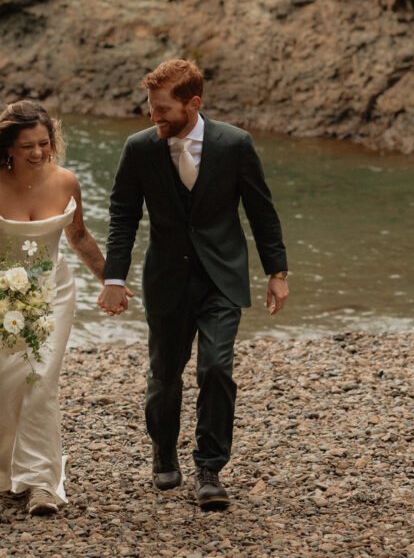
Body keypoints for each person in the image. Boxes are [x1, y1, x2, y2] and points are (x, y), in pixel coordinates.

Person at [97, 59, 289, 510]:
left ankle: (209, 469)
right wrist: (113, 277)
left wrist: (276, 273)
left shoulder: (235, 144)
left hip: (222, 277)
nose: (153, 118)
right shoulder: (140, 148)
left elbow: (262, 211)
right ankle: (163, 450)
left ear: (193, 103)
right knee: (165, 373)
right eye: (151, 108)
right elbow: (123, 216)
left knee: (217, 369)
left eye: (163, 110)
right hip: (166, 279)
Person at [0, 100, 125, 515]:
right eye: (28, 146)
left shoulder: (67, 181)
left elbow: (80, 237)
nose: (38, 152)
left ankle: (40, 484)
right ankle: (2, 461)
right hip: (2, 298)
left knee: (41, 382)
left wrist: (112, 281)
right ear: (9, 148)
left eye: (44, 143)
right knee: (7, 384)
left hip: (55, 293)